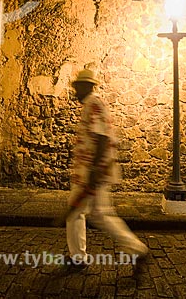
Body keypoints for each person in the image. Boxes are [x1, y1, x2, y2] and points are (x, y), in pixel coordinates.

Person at [65, 68, 148, 266]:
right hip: (94, 169)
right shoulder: (94, 104)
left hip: (91, 170)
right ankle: (137, 249)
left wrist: (93, 170)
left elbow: (102, 137)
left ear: (88, 86)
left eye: (78, 87)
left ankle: (78, 257)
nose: (75, 91)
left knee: (76, 212)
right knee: (101, 214)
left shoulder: (93, 103)